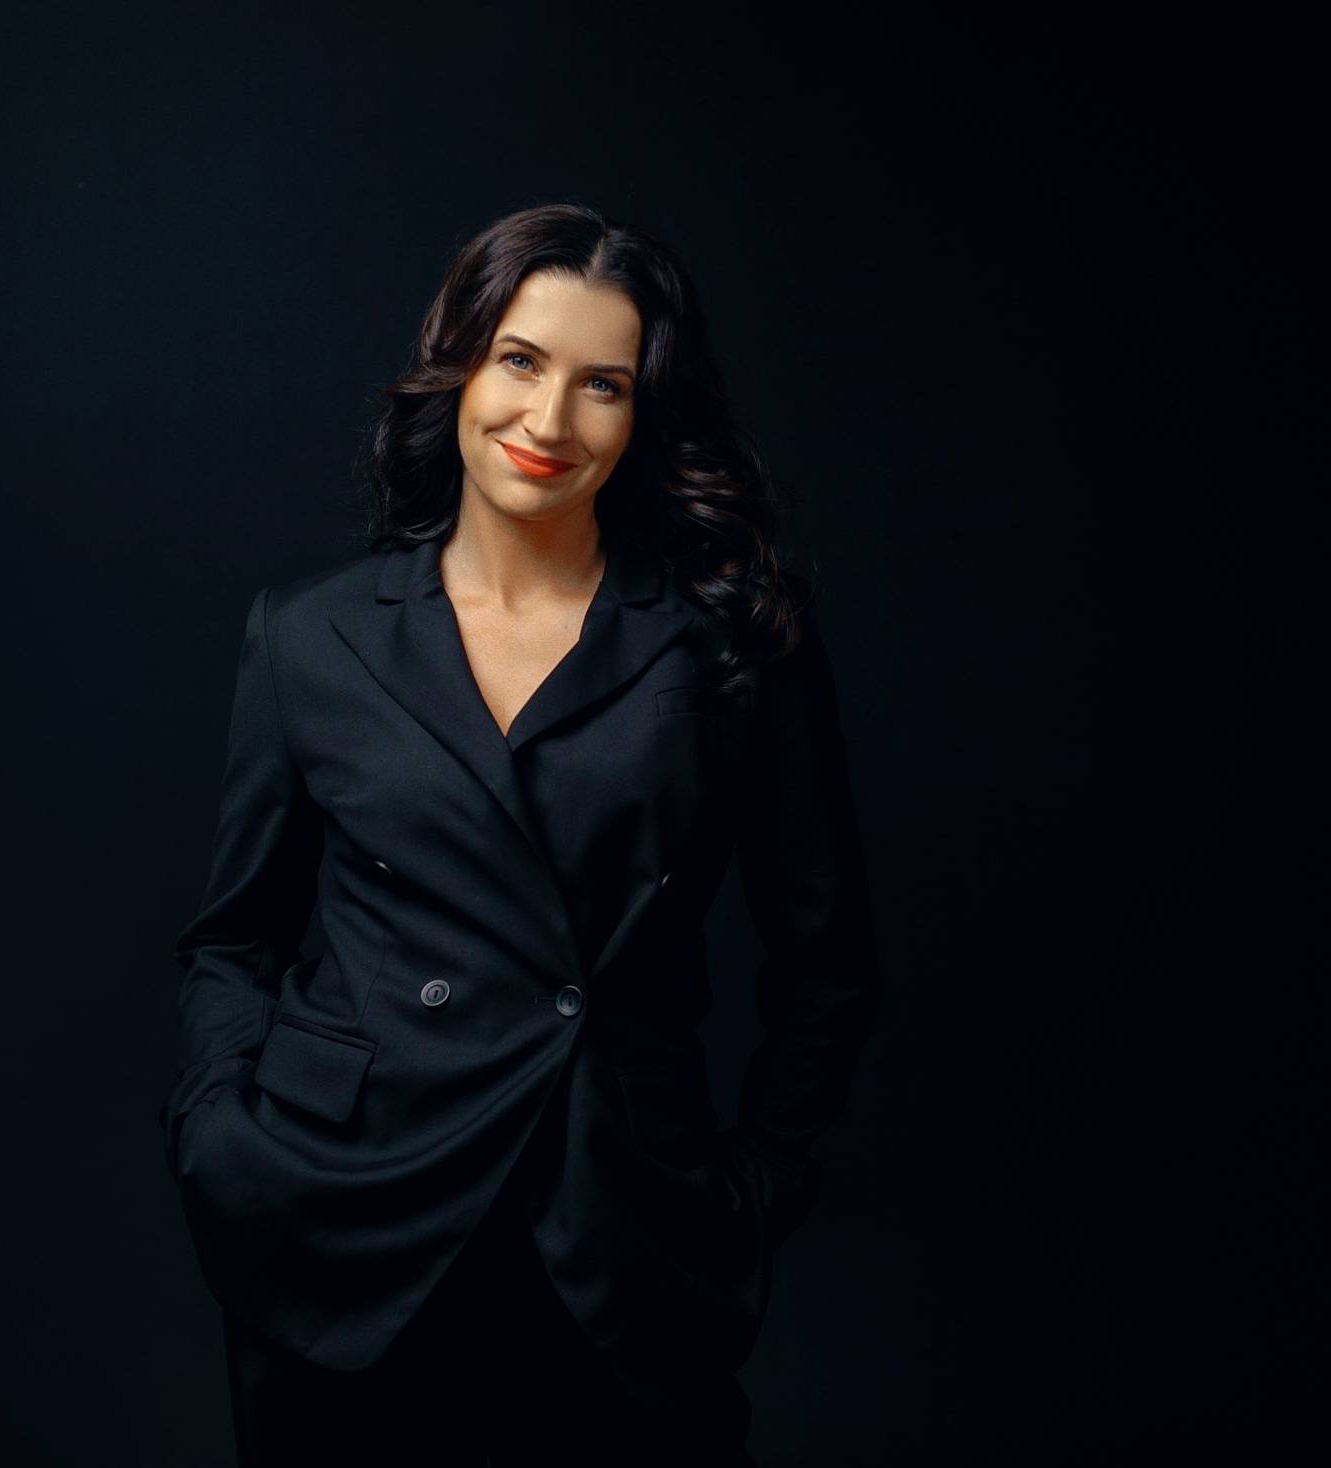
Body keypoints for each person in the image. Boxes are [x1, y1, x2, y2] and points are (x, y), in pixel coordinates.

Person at [159, 201, 883, 1465]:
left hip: (620, 1230)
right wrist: (220, 1132)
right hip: (343, 1220)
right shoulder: (312, 634)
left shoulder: (728, 646)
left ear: (643, 414)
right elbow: (234, 935)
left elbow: (828, 961)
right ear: (459, 364)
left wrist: (753, 1187)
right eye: (521, 361)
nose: (549, 422)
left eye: (603, 384)